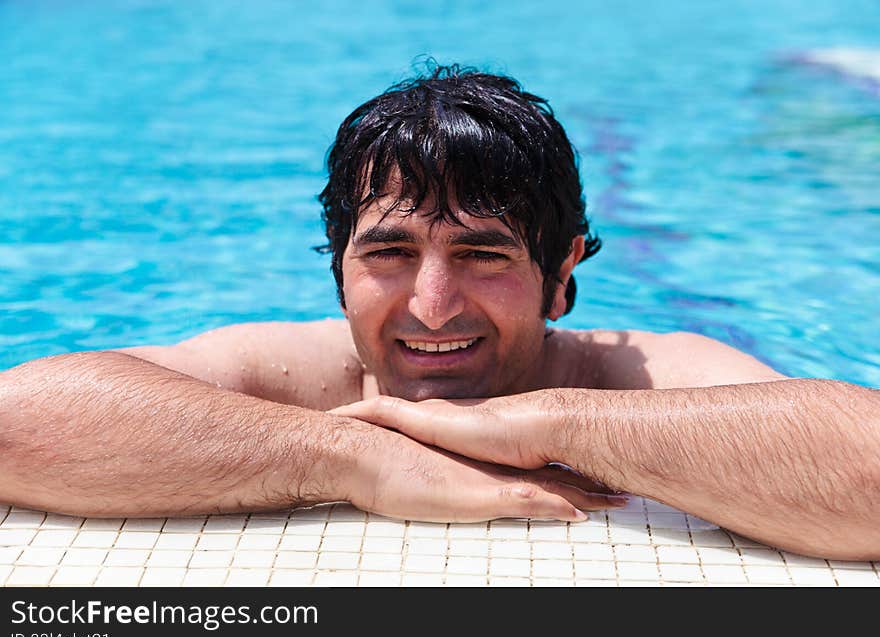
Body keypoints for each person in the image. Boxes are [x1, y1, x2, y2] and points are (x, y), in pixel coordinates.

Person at [1, 65, 877, 561]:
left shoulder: (643, 374)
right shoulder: (296, 377)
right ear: (340, 271)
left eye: (483, 253)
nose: (432, 305)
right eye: (389, 252)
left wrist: (542, 422)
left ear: (561, 272)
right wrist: (346, 454)